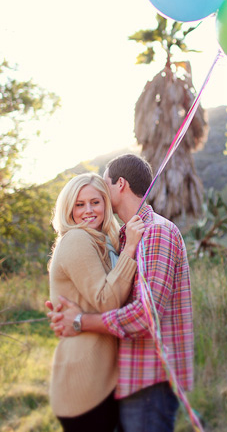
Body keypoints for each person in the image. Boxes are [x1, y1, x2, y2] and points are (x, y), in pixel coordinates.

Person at [46, 154, 194, 432]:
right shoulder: (125, 237)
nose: (93, 204)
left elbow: (144, 316)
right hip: (122, 378)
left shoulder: (155, 233)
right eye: (80, 203)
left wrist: (80, 321)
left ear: (120, 185)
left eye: (102, 189)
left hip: (149, 378)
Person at [47, 172, 144, 431]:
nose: (88, 211)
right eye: (79, 205)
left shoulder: (99, 241)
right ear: (69, 209)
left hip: (102, 376)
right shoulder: (77, 240)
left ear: (106, 204)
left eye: (95, 202)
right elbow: (107, 301)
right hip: (85, 384)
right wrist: (131, 248)